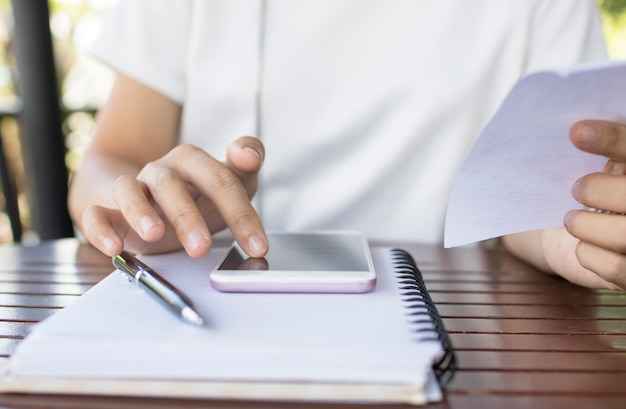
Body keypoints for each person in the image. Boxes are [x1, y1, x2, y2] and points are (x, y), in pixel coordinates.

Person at [68, 0, 626, 291]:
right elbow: (109, 160)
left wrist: (571, 235)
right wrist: (152, 212)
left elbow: (537, 200)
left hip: (445, 317)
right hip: (213, 289)